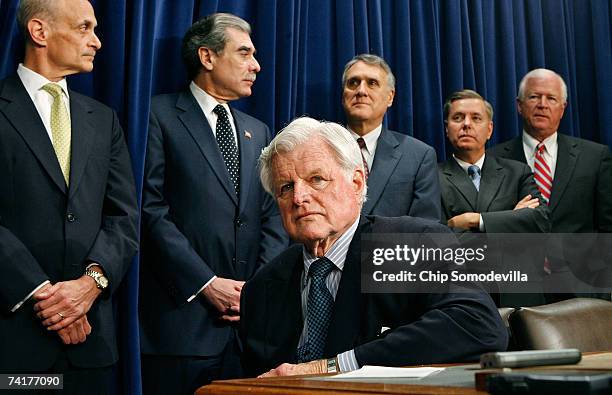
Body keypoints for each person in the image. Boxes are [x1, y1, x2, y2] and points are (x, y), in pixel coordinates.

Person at [240, 117, 507, 377]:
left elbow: (478, 324)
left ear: (356, 183)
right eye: (286, 187)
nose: (299, 197)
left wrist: (337, 365)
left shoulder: (413, 244)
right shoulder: (261, 289)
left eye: (317, 179)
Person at [139, 13, 288, 394]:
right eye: (244, 53)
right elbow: (149, 210)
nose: (256, 65)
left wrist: (254, 290)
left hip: (248, 333)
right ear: (207, 57)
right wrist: (205, 283)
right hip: (181, 328)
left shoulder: (260, 131)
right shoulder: (156, 116)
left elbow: (271, 217)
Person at [0, 0, 138, 393]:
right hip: (15, 336)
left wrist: (90, 284)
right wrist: (46, 297)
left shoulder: (103, 118)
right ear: (39, 31)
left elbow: (124, 216)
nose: (96, 41)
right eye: (84, 28)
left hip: (90, 341)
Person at [488, 69, 612, 300]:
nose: (542, 104)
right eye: (534, 97)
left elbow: (607, 226)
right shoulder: (493, 159)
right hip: (518, 285)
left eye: (551, 98)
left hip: (583, 285)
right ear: (519, 105)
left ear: (563, 108)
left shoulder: (595, 156)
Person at [341, 54, 441, 221]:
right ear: (343, 95)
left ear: (390, 97)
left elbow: (425, 228)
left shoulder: (419, 156)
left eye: (372, 83)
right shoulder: (319, 148)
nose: (361, 91)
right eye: (353, 83)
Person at [439, 89, 549, 233]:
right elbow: (437, 239)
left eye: (476, 118)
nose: (466, 124)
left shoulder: (517, 172)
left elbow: (541, 221)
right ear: (447, 129)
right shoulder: (432, 177)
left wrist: (477, 220)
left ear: (489, 130)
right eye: (458, 118)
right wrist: (513, 219)